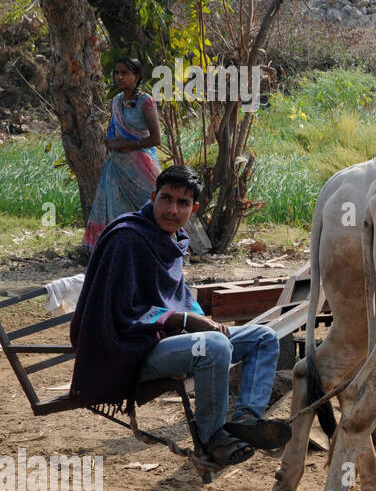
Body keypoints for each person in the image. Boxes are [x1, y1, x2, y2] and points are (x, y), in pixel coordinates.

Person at [69, 165, 291, 467]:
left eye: (183, 203)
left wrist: (199, 320)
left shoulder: (172, 238)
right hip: (132, 349)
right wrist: (189, 321)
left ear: (194, 208)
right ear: (153, 196)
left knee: (264, 337)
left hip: (168, 341)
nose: (172, 209)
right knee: (213, 347)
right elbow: (120, 310)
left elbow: (175, 295)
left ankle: (246, 420)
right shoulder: (127, 237)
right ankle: (213, 437)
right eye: (166, 198)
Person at [81, 58, 163, 253]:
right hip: (117, 165)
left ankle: (160, 245)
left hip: (141, 164)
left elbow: (156, 139)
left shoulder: (145, 102)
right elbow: (113, 132)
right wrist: (112, 143)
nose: (119, 77)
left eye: (125, 73)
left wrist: (128, 145)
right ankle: (116, 248)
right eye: (117, 72)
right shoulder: (117, 101)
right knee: (115, 206)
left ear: (137, 76)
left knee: (152, 204)